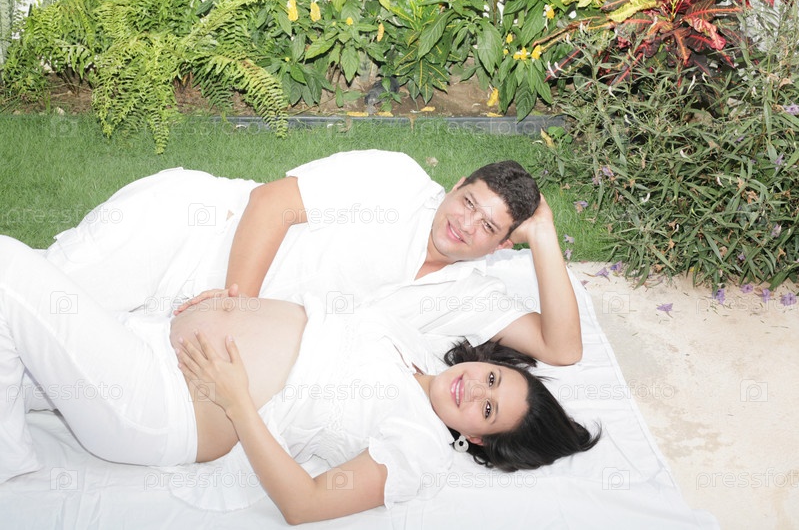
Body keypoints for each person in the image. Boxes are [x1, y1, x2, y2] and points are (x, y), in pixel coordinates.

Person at [0, 236, 599, 523]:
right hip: (149, 338)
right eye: (493, 378)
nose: (476, 388)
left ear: (479, 440)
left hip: (161, 404)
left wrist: (238, 402)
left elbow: (304, 504)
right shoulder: (417, 351)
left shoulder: (419, 448)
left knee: (9, 272)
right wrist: (232, 305)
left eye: (487, 409)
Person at [44, 150, 581, 366]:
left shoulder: (470, 293)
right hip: (186, 232)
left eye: (488, 226)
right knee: (38, 304)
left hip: (201, 327)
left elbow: (562, 348)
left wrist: (545, 232)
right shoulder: (395, 179)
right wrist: (237, 308)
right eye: (469, 203)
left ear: (503, 245)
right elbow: (270, 202)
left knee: (64, 367)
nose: (465, 224)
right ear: (458, 184)